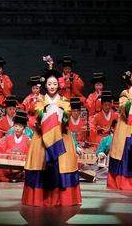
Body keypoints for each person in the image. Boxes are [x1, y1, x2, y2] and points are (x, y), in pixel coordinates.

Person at [22, 63, 81, 207]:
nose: (52, 86)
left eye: (55, 83)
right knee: (40, 165)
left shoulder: (64, 101)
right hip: (42, 139)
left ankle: (62, 198)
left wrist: (57, 112)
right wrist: (49, 110)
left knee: (63, 166)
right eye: (49, 84)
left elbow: (66, 116)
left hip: (61, 138)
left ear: (58, 85)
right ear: (45, 85)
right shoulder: (40, 101)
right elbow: (38, 113)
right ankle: (42, 198)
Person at [0, 110, 31, 182]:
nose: (17, 128)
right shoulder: (8, 138)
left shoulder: (27, 140)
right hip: (9, 168)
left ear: (24, 128)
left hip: (22, 168)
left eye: (20, 126)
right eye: (16, 126)